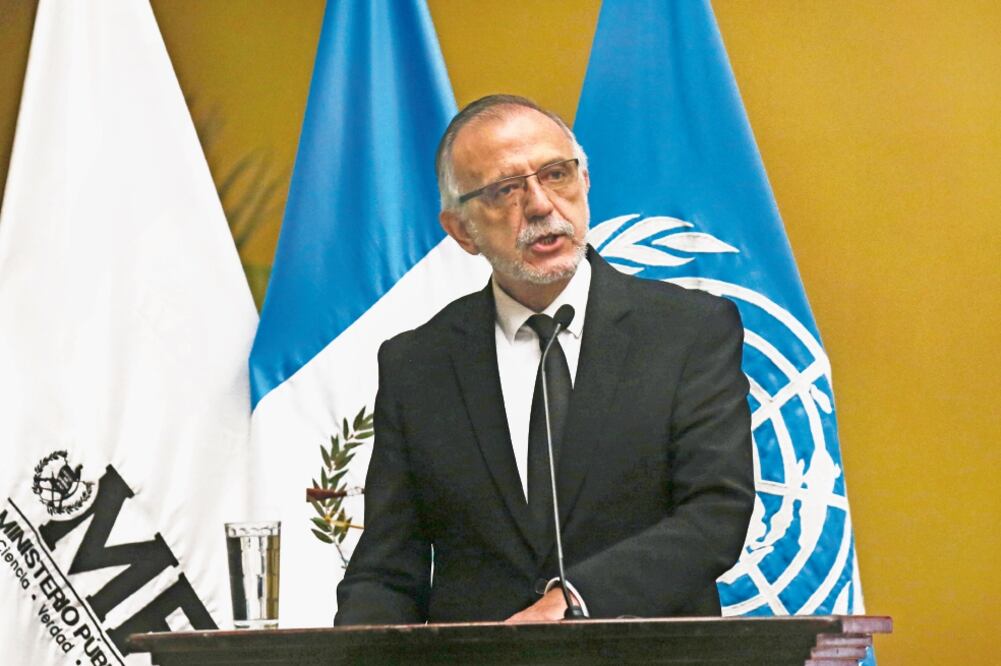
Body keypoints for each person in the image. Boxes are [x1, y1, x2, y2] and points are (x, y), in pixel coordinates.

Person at [335, 94, 754, 625]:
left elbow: (715, 515)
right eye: (505, 189)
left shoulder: (689, 330)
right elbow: (387, 568)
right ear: (462, 230)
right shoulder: (417, 363)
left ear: (586, 184)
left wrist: (575, 601)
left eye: (556, 175)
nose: (539, 205)